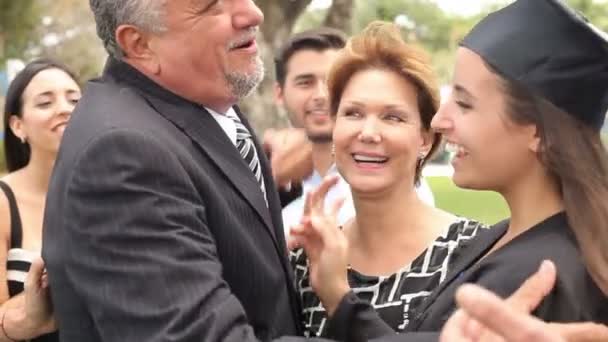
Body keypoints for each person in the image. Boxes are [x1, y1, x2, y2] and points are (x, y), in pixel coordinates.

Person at [291, 0, 608, 341]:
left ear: (537, 132)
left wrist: (339, 299)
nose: (440, 121)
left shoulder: (538, 275)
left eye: (465, 103)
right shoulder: (504, 240)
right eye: (352, 113)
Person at [288, 22, 486, 337]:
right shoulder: (307, 259)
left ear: (425, 139)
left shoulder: (473, 255)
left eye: (392, 117)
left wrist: (337, 294)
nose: (368, 133)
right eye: (352, 113)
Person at [275, 28, 436, 236]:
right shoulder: (263, 175)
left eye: (329, 83)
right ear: (279, 94)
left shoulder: (392, 180)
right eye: (305, 82)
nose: (321, 95)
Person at [0, 58, 81, 341]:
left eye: (74, 100)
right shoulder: (2, 202)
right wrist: (29, 317)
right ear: (18, 125)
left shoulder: (114, 191)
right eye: (45, 103)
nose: (65, 109)